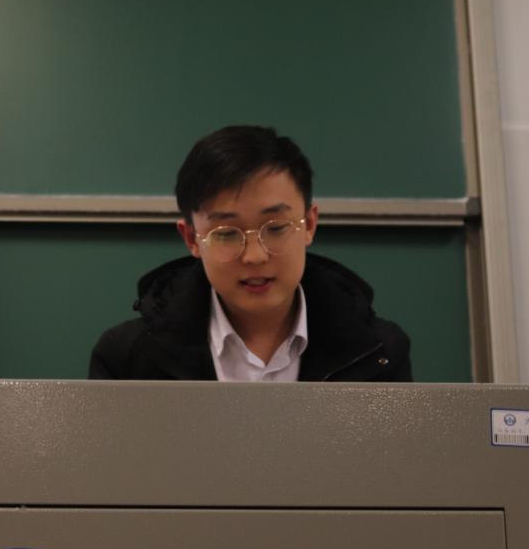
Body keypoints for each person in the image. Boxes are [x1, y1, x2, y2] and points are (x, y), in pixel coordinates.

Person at [90, 125, 410, 382]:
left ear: (310, 224)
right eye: (226, 233)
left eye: (276, 228)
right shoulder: (127, 357)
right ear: (191, 238)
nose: (254, 256)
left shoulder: (380, 353)